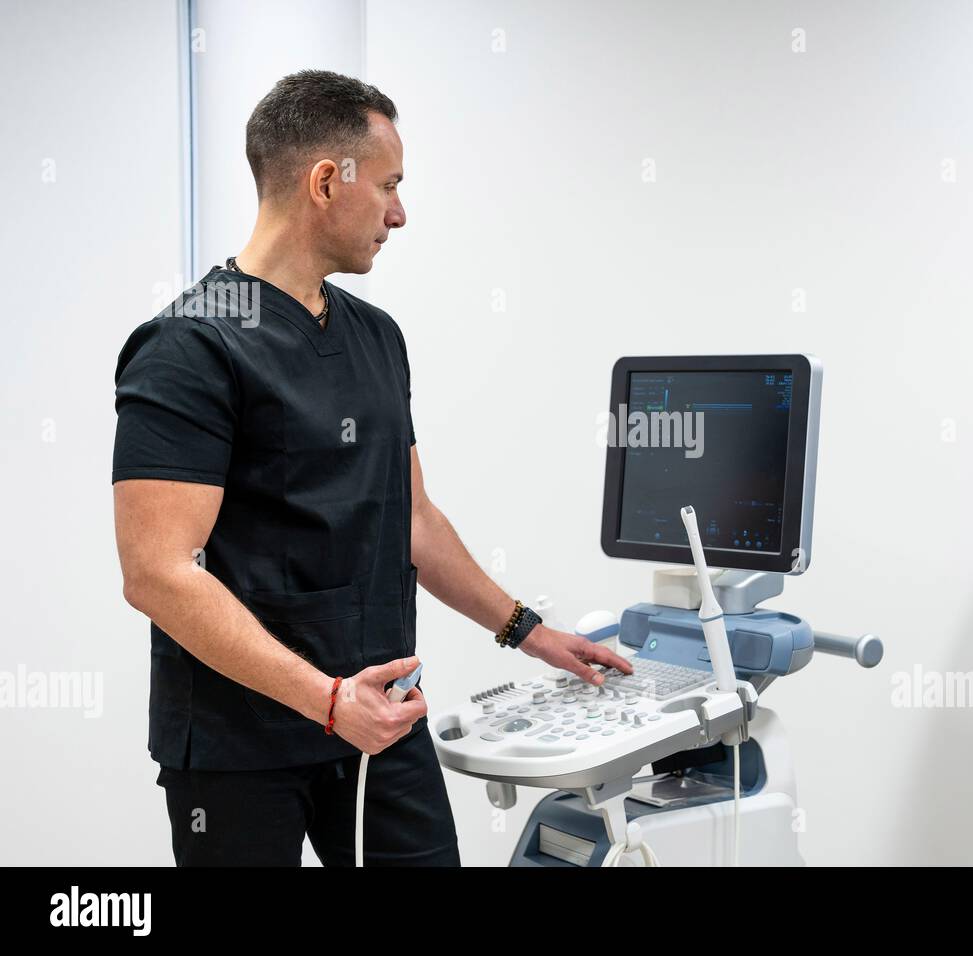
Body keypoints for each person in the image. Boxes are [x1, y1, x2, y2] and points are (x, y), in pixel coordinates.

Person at [111, 69, 632, 866]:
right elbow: (156, 572)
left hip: (380, 719)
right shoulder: (189, 346)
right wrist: (325, 702)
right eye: (388, 185)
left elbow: (413, 519)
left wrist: (528, 632)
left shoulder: (376, 335)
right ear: (327, 181)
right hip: (239, 746)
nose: (399, 212)